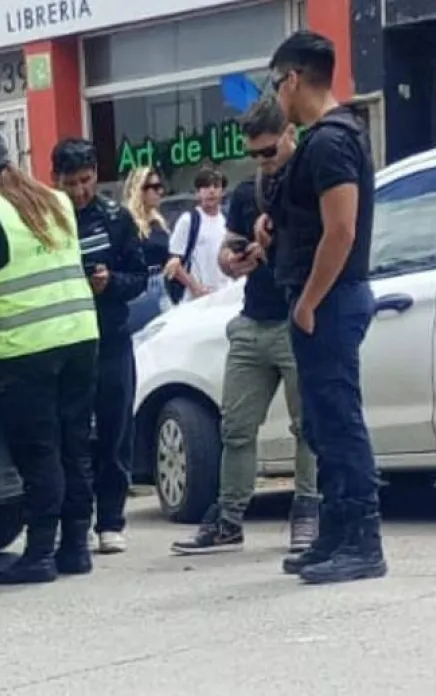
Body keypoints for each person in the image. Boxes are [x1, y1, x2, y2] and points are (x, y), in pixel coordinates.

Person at [0, 130, 100, 585]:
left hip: (24, 350)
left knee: (39, 453)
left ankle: (39, 554)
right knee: (75, 447)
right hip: (80, 340)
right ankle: (75, 548)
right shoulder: (57, 203)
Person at [170, 96, 319, 556]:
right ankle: (228, 518)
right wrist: (237, 257)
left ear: (289, 136)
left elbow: (329, 243)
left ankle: (308, 511)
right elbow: (228, 254)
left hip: (297, 319)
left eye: (268, 151)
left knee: (307, 427)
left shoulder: (311, 180)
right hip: (254, 318)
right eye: (253, 154)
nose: (262, 161)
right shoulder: (247, 191)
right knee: (235, 426)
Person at [264, 30, 386, 584]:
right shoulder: (318, 140)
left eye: (276, 84)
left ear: (293, 79)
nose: (276, 95)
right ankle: (336, 534)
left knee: (338, 422)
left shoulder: (334, 140)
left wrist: (309, 302)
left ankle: (363, 541)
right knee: (321, 422)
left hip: (331, 301)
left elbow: (341, 230)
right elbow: (312, 220)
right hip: (320, 299)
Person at [51, 138, 148, 554]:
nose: (79, 192)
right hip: (65, 342)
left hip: (110, 338)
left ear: (95, 175)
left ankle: (111, 520)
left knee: (114, 433)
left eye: (86, 181)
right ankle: (74, 520)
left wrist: (112, 283)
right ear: (56, 180)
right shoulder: (47, 222)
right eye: (70, 183)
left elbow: (140, 276)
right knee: (70, 437)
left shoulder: (115, 218)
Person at [165, 167, 233, 303]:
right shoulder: (189, 220)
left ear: (222, 191)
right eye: (206, 186)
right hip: (197, 299)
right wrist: (195, 288)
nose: (211, 191)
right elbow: (174, 263)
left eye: (216, 186)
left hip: (225, 295)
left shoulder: (227, 220)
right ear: (197, 193)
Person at [123, 166, 172, 331]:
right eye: (154, 187)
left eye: (160, 187)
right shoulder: (128, 222)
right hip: (143, 286)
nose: (160, 192)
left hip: (163, 282)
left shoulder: (159, 221)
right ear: (140, 190)